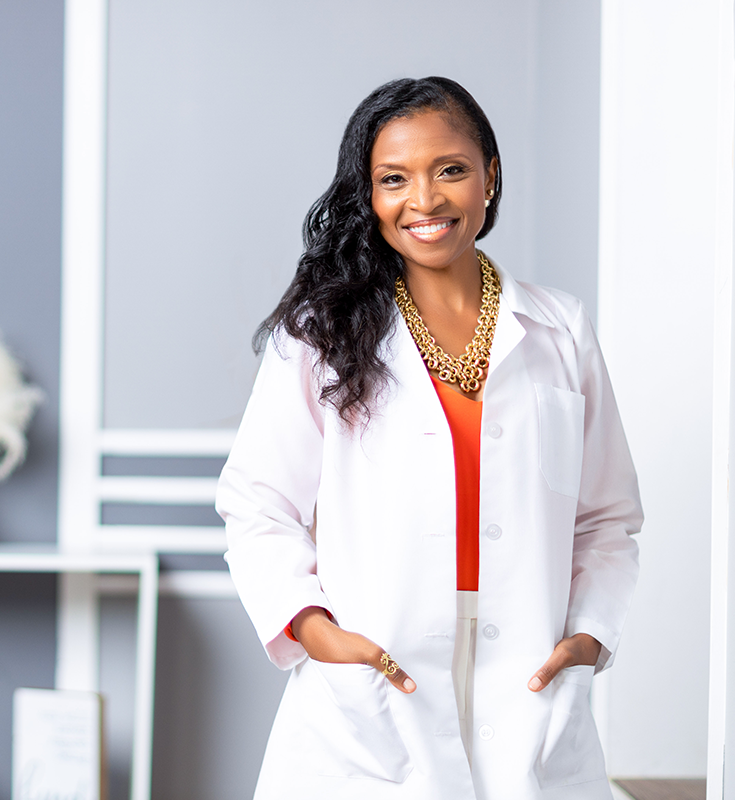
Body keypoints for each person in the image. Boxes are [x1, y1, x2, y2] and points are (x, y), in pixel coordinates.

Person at [216, 76, 642, 800]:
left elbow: (607, 517)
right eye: (394, 179)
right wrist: (318, 633)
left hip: (531, 676)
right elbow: (256, 504)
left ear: (489, 176)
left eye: (449, 169)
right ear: (369, 195)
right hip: (379, 677)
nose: (425, 200)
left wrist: (590, 635)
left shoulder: (560, 329)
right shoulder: (322, 335)